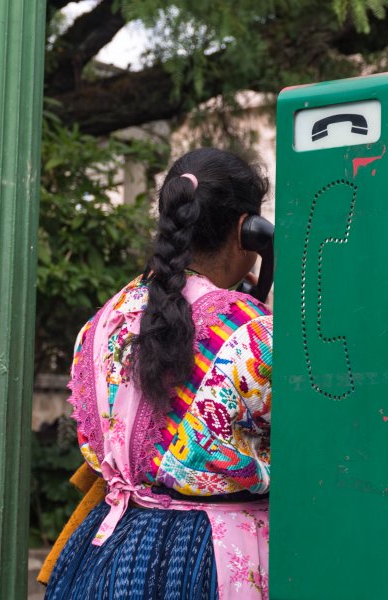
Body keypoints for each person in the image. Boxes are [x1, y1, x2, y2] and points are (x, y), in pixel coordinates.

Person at [45, 148, 273, 599]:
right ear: (247, 231)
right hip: (213, 558)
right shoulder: (251, 331)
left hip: (104, 555)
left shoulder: (102, 322)